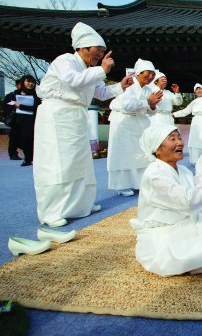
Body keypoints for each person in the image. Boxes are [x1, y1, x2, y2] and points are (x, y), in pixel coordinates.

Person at [34, 22, 131, 227]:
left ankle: (80, 206)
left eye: (103, 51)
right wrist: (102, 70)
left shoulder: (91, 70)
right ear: (83, 47)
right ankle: (51, 211)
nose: (100, 55)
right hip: (57, 114)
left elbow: (101, 93)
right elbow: (73, 80)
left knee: (80, 162)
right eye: (98, 50)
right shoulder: (65, 60)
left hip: (77, 114)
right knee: (59, 162)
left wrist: (121, 86)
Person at [131, 123, 202, 276]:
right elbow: (188, 201)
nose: (180, 142)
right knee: (199, 252)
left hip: (185, 224)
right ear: (158, 149)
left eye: (179, 137)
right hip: (162, 234)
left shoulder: (182, 170)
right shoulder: (154, 174)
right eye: (172, 139)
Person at [107, 58, 162, 197]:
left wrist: (153, 105)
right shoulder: (130, 85)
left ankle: (138, 182)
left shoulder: (149, 89)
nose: (150, 77)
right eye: (147, 73)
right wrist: (147, 102)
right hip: (123, 122)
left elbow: (151, 111)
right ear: (139, 72)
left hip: (139, 123)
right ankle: (122, 185)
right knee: (123, 154)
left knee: (140, 153)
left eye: (152, 74)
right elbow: (127, 105)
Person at [172, 83, 202, 164]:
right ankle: (196, 161)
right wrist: (174, 114)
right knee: (195, 140)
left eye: (200, 89)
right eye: (196, 89)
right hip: (195, 122)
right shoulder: (194, 102)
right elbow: (185, 111)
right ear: (195, 92)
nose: (198, 91)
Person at [11, 75, 40, 166]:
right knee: (22, 140)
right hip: (19, 120)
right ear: (23, 82)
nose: (30, 84)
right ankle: (28, 157)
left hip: (32, 120)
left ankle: (29, 159)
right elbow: (9, 102)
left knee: (30, 140)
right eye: (28, 82)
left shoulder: (36, 94)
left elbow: (35, 107)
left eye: (32, 82)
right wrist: (14, 103)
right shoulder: (17, 92)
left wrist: (21, 106)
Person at [2, 79, 23, 160]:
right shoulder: (11, 95)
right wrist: (14, 103)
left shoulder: (29, 94)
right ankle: (13, 153)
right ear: (17, 85)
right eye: (20, 84)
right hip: (15, 120)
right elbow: (5, 106)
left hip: (26, 120)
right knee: (14, 137)